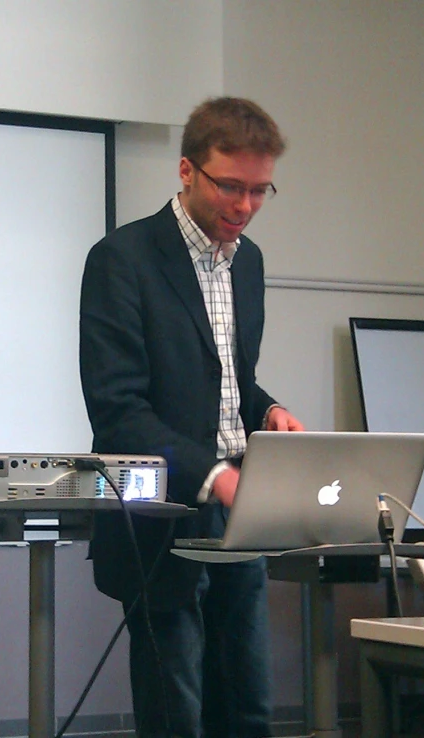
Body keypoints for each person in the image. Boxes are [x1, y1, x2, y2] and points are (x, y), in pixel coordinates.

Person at [79, 96, 304, 738]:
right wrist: (215, 475)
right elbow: (120, 411)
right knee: (178, 715)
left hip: (240, 516)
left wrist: (269, 409)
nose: (245, 206)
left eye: (261, 190)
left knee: (248, 711)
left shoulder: (248, 262)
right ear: (186, 170)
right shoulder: (122, 260)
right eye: (230, 186)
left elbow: (224, 380)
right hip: (163, 521)